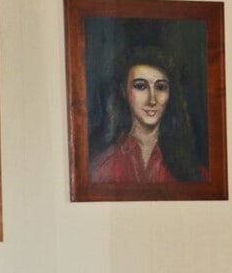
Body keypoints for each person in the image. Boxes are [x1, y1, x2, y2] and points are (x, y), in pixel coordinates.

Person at [89, 42, 210, 184]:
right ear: (123, 91)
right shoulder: (102, 167)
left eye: (160, 87)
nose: (152, 100)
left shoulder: (195, 172)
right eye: (140, 86)